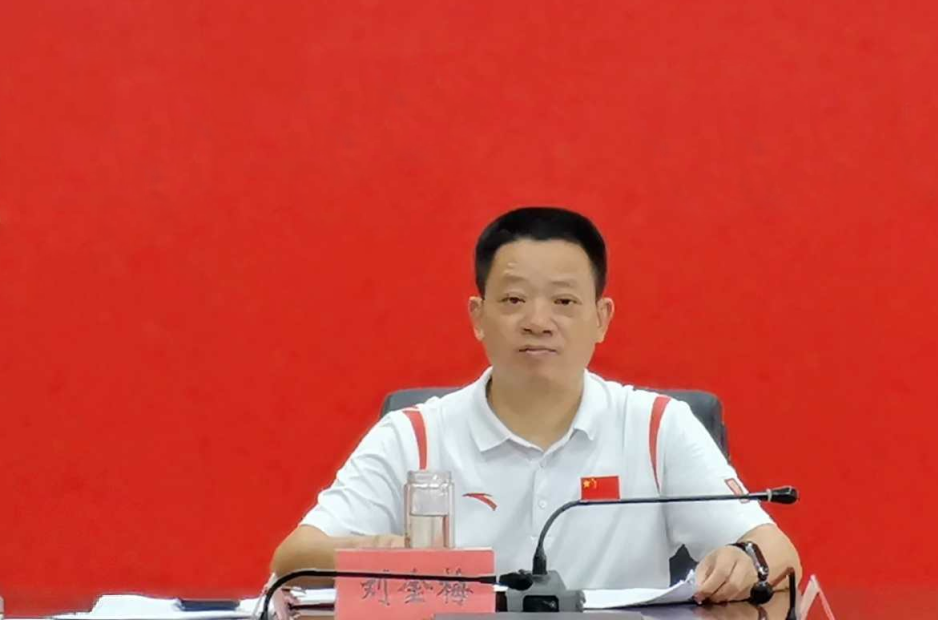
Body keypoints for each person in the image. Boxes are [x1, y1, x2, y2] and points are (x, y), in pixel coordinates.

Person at [271, 207, 800, 604]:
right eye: (514, 300)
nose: (538, 322)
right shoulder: (414, 435)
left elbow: (777, 553)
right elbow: (292, 561)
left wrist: (745, 561)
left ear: (602, 318)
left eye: (564, 301)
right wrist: (386, 553)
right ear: (478, 317)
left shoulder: (655, 426)